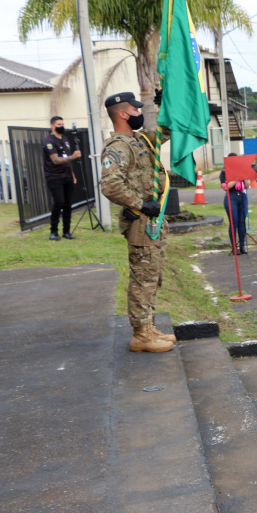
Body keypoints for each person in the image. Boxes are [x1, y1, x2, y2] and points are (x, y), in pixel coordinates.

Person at [99, 91, 175, 353]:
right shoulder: (119, 146)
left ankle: (148, 327)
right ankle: (141, 335)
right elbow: (110, 185)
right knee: (143, 279)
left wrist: (169, 102)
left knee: (152, 277)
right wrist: (141, 204)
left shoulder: (139, 139)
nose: (140, 114)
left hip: (151, 220)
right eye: (135, 110)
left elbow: (167, 130)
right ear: (123, 114)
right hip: (141, 221)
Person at [43, 116, 81, 241]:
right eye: (59, 124)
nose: (62, 126)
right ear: (52, 126)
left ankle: (66, 231)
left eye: (63, 124)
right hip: (54, 176)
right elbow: (55, 160)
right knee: (59, 202)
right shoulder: (49, 140)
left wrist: (72, 174)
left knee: (67, 204)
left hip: (67, 176)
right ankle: (53, 232)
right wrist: (73, 156)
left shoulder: (64, 139)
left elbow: (66, 161)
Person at [220, 154, 250, 255]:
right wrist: (236, 178)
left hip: (242, 196)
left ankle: (242, 246)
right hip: (231, 197)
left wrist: (244, 178)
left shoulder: (241, 170)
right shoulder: (224, 173)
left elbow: (247, 186)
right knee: (234, 222)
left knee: (242, 222)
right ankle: (234, 247)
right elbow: (225, 187)